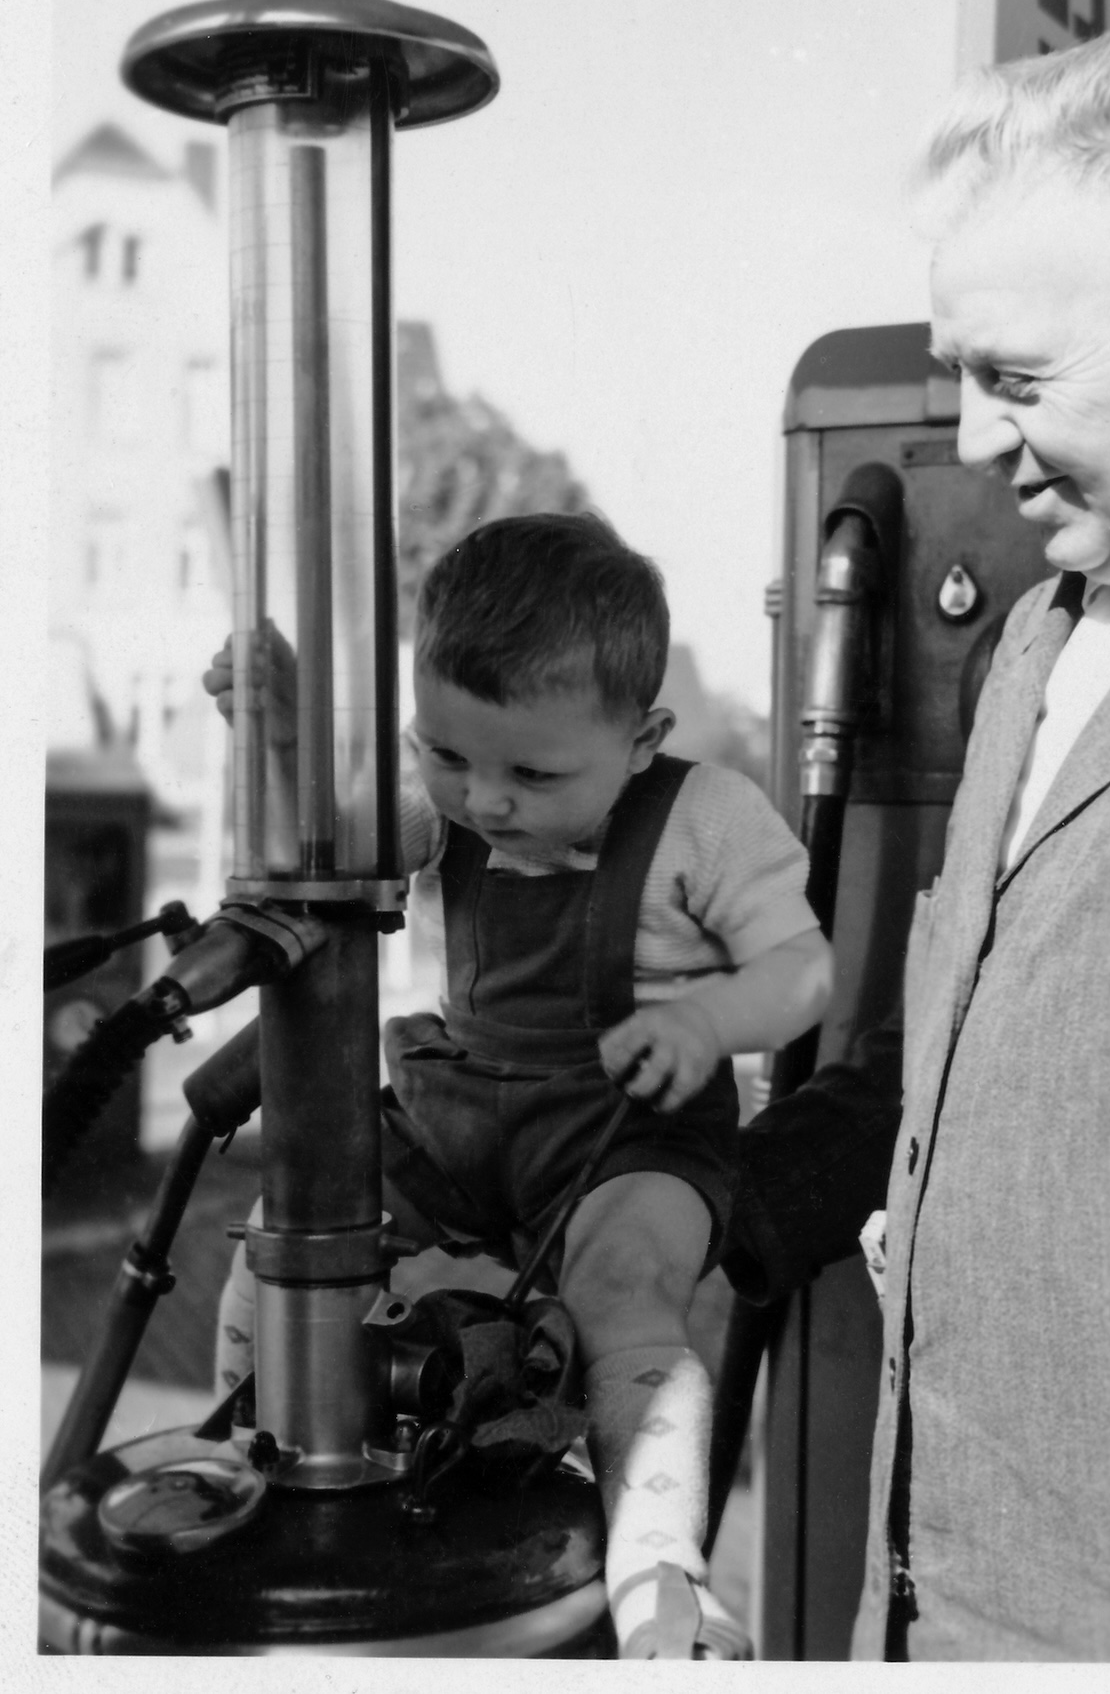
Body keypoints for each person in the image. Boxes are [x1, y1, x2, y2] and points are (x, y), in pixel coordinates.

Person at [721, 16, 1110, 1661]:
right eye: (961, 375)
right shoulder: (1041, 643)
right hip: (920, 1614)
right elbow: (941, 1067)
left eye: (1020, 379)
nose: (976, 440)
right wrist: (702, 1209)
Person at [205, 511, 833, 1660]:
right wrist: (286, 738)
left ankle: (658, 1578)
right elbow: (330, 850)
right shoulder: (442, 803)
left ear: (642, 740)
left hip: (627, 1128)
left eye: (533, 774)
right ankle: (244, 1463)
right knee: (283, 1235)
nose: (484, 801)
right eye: (447, 756)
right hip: (458, 1105)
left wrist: (706, 1018)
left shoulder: (704, 819)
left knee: (624, 1287)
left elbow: (801, 970)